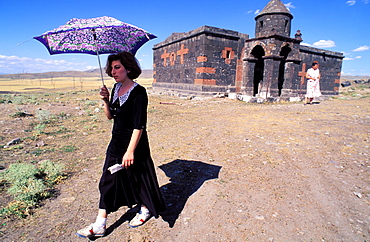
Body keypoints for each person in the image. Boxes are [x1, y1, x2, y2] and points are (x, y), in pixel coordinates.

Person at [76, 51, 165, 238]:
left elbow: (139, 125)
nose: (113, 71)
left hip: (134, 145)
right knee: (107, 180)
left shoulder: (139, 92)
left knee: (139, 178)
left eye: (117, 67)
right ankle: (100, 223)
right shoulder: (116, 88)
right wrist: (105, 101)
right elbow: (111, 117)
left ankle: (145, 208)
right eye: (111, 68)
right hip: (115, 143)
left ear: (129, 68)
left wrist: (130, 151)